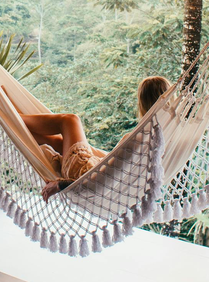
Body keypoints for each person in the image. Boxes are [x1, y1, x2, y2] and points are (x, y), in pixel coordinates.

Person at [26, 75, 171, 202]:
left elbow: (106, 174)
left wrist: (60, 185)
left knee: (70, 120)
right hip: (90, 170)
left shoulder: (139, 138)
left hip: (83, 172)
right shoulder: (163, 137)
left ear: (142, 103)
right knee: (59, 142)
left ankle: (11, 115)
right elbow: (115, 162)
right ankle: (12, 121)